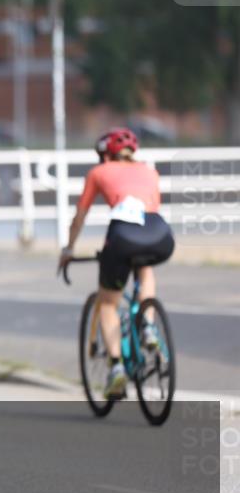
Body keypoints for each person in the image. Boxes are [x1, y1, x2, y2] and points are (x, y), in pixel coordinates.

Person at [57, 127, 174, 399]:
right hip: (159, 234)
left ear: (105, 154)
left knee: (108, 302)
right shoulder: (150, 171)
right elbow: (150, 209)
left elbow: (80, 216)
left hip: (123, 234)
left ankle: (116, 368)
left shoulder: (99, 172)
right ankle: (148, 325)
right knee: (144, 269)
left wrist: (68, 249)